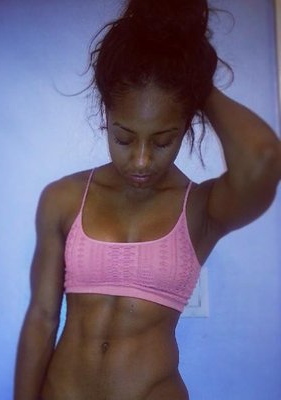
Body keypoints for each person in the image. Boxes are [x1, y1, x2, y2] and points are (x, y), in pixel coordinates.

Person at [14, 1, 281, 399]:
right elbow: (41, 317)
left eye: (162, 141)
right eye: (124, 138)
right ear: (106, 115)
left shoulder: (201, 209)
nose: (141, 161)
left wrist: (195, 81)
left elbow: (264, 157)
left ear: (187, 125)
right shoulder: (63, 199)